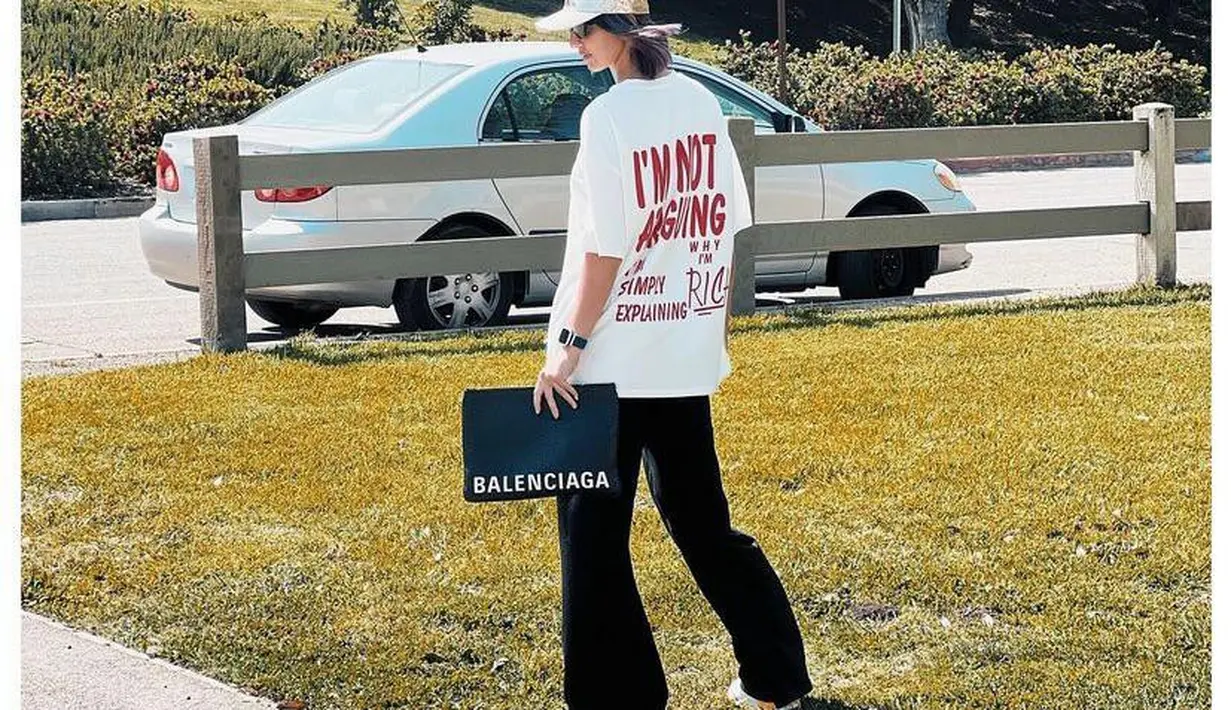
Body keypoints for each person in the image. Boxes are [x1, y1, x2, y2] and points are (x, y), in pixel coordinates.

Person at [529, 2, 814, 708]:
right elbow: (718, 229)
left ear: (618, 34)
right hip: (678, 351)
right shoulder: (698, 101)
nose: (574, 44)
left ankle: (614, 696)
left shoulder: (607, 118)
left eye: (582, 31)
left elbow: (605, 248)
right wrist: (704, 334)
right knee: (703, 526)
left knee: (591, 532)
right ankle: (774, 679)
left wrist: (567, 348)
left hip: (609, 356)